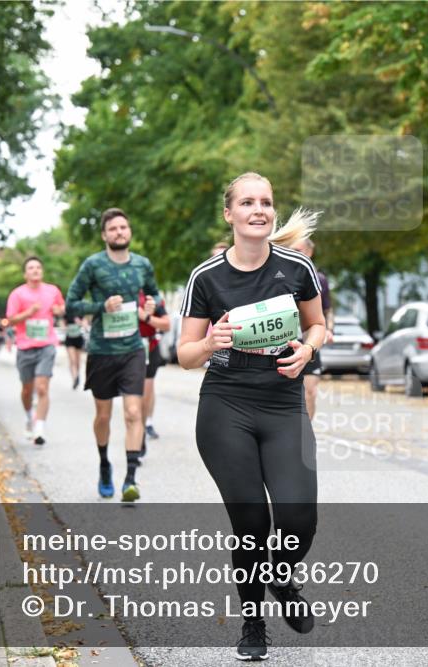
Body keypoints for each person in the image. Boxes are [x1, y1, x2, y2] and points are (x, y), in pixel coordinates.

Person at [178, 172, 326, 661]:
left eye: (265, 201)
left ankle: (282, 579)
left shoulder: (296, 269)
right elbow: (184, 354)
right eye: (247, 202)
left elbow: (319, 325)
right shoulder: (207, 277)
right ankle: (253, 624)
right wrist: (209, 342)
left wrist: (306, 350)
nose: (258, 209)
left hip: (283, 401)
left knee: (299, 517)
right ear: (230, 214)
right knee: (251, 522)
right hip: (226, 404)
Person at [67, 208, 161, 502]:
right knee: (103, 416)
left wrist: (151, 306)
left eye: (123, 227)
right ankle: (105, 464)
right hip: (101, 351)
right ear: (105, 235)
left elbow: (155, 294)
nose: (119, 232)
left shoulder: (142, 265)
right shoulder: (93, 265)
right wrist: (101, 307)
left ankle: (130, 480)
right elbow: (71, 303)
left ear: (129, 231)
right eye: (113, 229)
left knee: (134, 412)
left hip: (133, 348)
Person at [6, 256, 65, 446]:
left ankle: (39, 429)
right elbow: (10, 319)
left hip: (47, 344)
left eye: (38, 267)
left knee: (42, 387)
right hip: (25, 347)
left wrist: (59, 310)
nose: (35, 270)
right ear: (25, 274)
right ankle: (29, 416)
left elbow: (62, 308)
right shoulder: (17, 294)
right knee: (26, 390)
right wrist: (29, 313)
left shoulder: (52, 291)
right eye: (31, 268)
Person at [291, 238, 334, 420]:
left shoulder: (320, 279)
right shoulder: (281, 274)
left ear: (309, 252)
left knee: (310, 391)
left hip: (310, 341)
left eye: (299, 250)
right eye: (291, 249)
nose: (294, 253)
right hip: (287, 339)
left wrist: (329, 329)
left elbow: (327, 310)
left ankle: (305, 430)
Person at [138, 289, 171, 452]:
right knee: (132, 397)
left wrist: (145, 317)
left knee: (146, 392)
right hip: (124, 350)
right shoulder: (120, 292)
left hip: (148, 349)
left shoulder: (152, 297)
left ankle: (143, 428)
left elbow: (167, 324)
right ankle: (137, 429)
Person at [63, 308, 87, 390]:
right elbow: (63, 323)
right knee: (72, 360)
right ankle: (75, 379)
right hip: (69, 339)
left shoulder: (80, 312)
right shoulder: (67, 313)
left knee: (77, 361)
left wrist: (79, 323)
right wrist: (65, 328)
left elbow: (85, 325)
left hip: (78, 339)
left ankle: (78, 374)